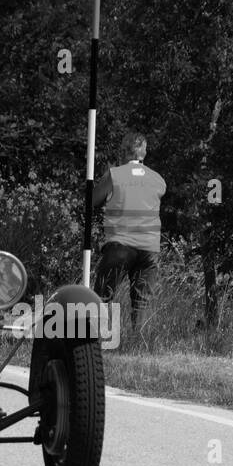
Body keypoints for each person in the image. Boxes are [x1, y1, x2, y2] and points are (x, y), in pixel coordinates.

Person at [91, 131, 166, 336]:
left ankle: (96, 339)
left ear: (124, 151)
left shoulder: (115, 175)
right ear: (145, 152)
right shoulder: (158, 180)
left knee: (103, 295)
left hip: (120, 245)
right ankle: (137, 343)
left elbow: (93, 200)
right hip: (149, 247)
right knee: (141, 301)